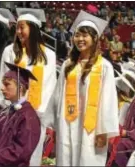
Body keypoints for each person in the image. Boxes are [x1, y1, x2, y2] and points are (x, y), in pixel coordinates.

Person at [41, 10, 119, 166]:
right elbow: (57, 96)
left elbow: (109, 101)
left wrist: (104, 131)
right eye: (77, 35)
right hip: (67, 123)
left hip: (91, 129)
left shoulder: (104, 67)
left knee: (88, 159)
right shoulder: (67, 65)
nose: (80, 39)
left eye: (85, 35)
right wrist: (52, 124)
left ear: (95, 38)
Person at [0, 8, 57, 166]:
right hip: (12, 114)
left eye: (22, 27)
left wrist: (42, 116)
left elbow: (50, 87)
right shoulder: (10, 51)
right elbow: (3, 82)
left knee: (32, 158)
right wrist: (3, 110)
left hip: (35, 117)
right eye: (17, 27)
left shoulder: (49, 55)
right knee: (9, 154)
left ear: (34, 28)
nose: (18, 31)